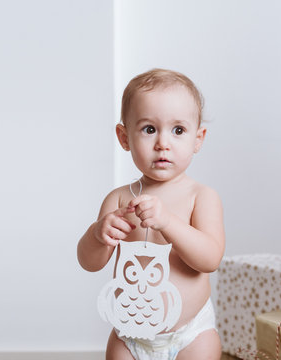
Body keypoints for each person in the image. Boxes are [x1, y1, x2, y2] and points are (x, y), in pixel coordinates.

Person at [77, 68, 225, 360]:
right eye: (149, 129)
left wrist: (169, 222)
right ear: (124, 137)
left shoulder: (201, 197)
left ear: (198, 138)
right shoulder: (119, 199)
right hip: (129, 334)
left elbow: (209, 260)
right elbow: (90, 263)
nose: (162, 143)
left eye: (178, 130)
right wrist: (98, 235)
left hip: (190, 335)